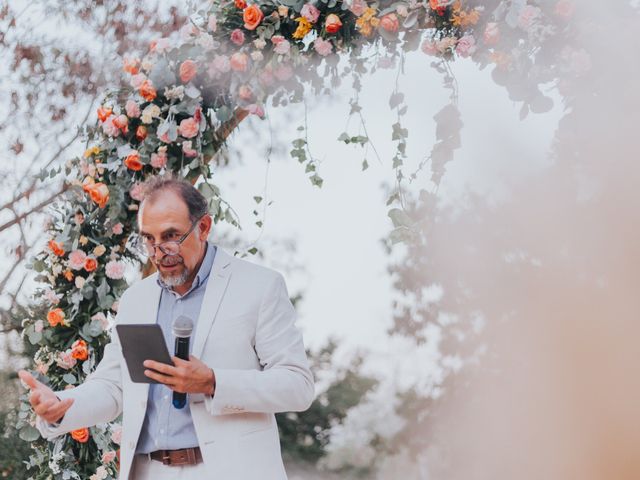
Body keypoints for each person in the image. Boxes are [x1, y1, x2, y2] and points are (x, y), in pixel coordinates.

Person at [18, 175, 315, 479]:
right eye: (149, 239)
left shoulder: (259, 286)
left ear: (204, 227)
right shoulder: (135, 299)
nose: (160, 250)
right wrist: (63, 406)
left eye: (171, 235)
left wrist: (214, 383)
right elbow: (114, 386)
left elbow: (297, 386)